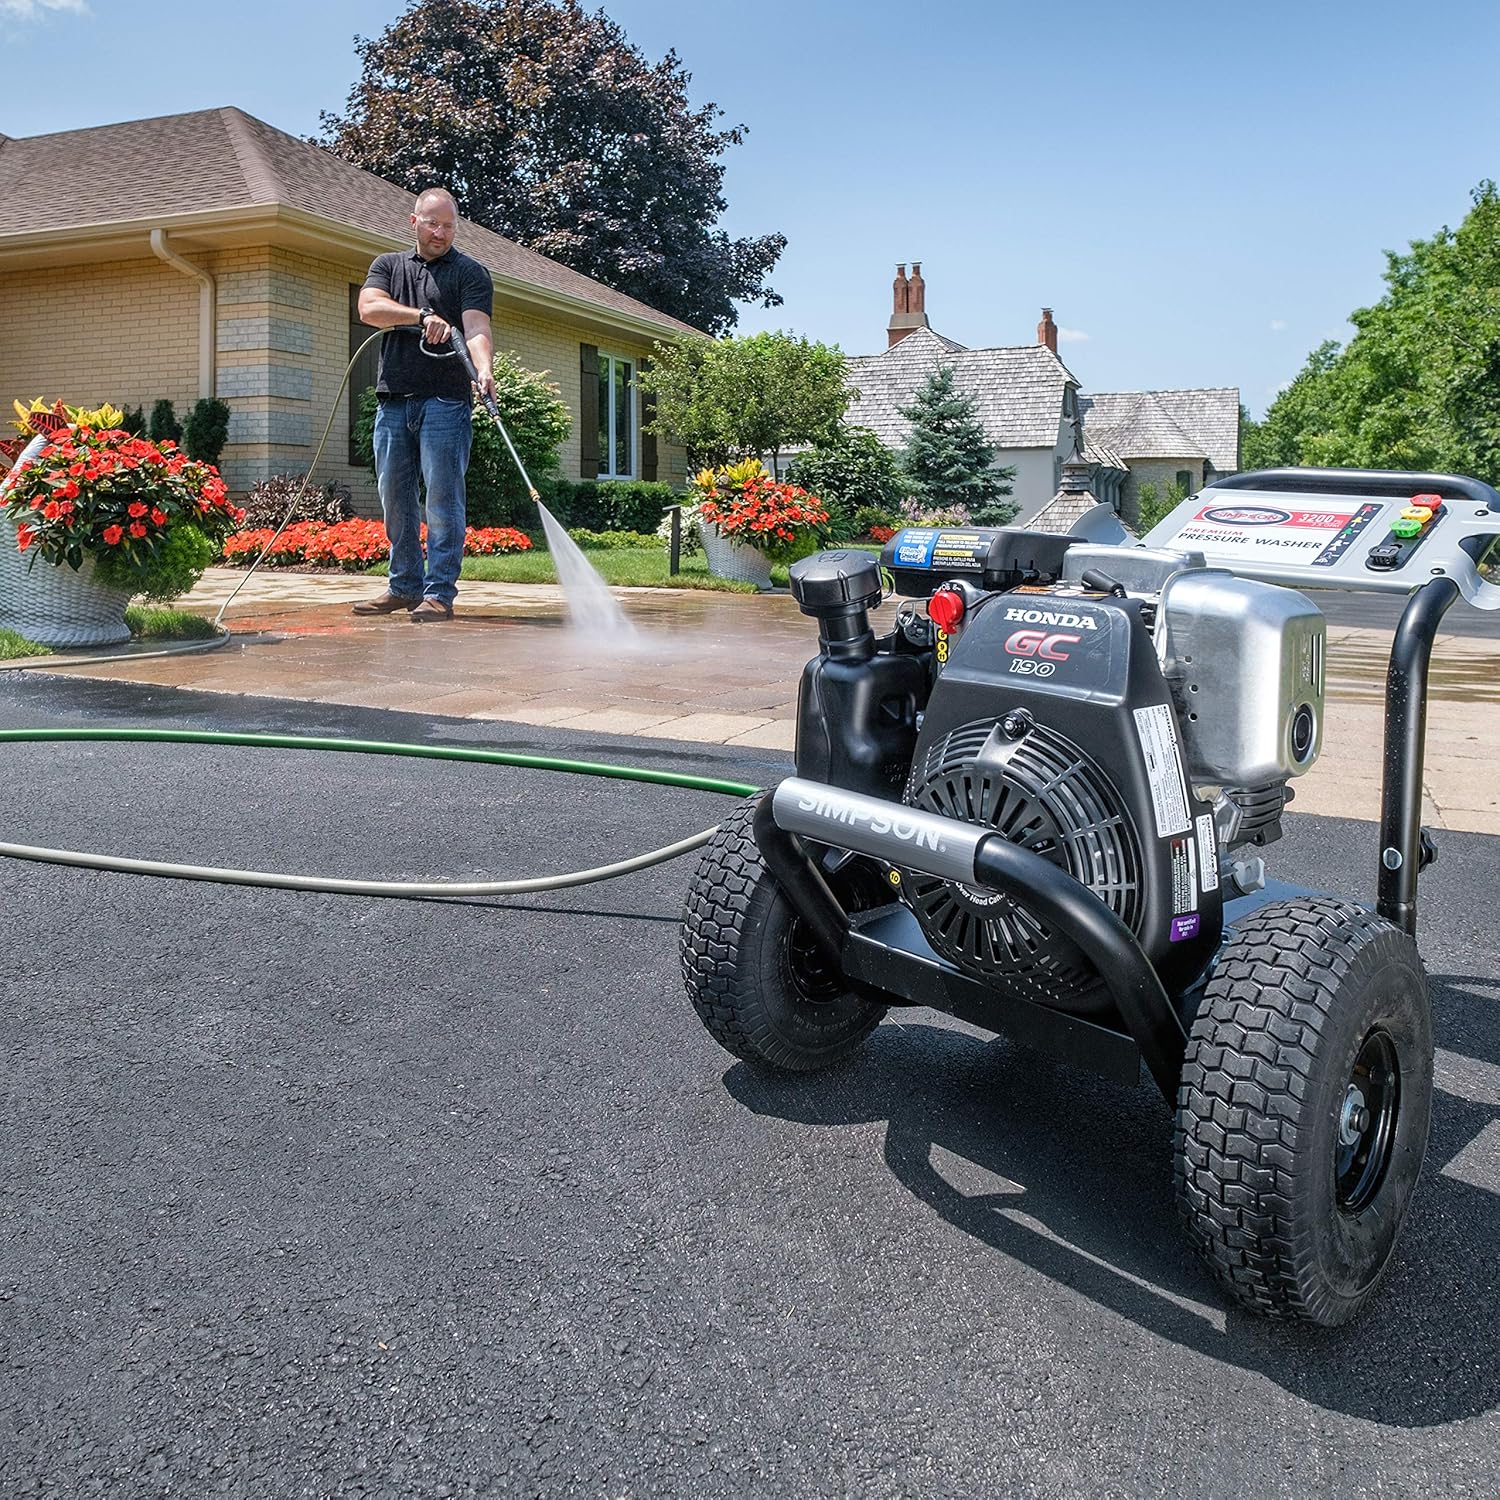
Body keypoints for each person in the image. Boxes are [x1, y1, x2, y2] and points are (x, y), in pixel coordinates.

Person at [354, 187, 495, 621]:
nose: (441, 233)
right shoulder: (388, 266)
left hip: (446, 402)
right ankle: (403, 587)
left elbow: (476, 327)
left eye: (449, 226)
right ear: (414, 222)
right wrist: (421, 316)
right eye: (433, 223)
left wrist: (484, 369)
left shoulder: (470, 272)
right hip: (394, 400)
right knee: (395, 499)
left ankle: (439, 594)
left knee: (442, 499)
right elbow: (369, 309)